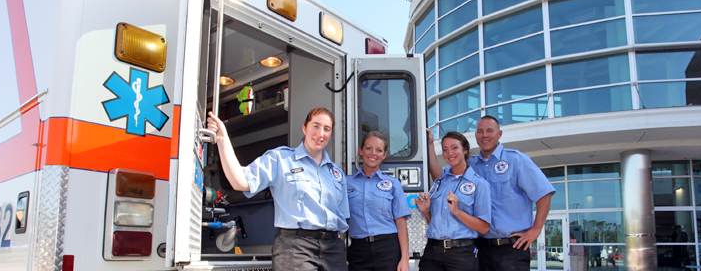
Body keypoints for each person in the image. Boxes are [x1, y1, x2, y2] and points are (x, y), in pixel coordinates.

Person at [207, 108, 349, 271]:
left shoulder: (336, 173)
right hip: (296, 248)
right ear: (304, 128)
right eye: (315, 126)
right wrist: (222, 138)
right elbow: (240, 182)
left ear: (331, 134)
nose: (320, 133)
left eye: (326, 129)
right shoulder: (280, 159)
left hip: (333, 250)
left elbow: (342, 216)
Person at [427, 116, 555, 271]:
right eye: (480, 131)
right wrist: (429, 145)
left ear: (499, 134)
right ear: (475, 136)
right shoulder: (470, 164)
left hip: (510, 248)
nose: (484, 135)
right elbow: (439, 178)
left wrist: (536, 229)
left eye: (489, 131)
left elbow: (544, 193)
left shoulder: (516, 160)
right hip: (480, 247)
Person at [414, 131, 491, 271]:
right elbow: (436, 223)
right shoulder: (440, 182)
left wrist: (457, 211)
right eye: (445, 149)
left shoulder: (480, 184)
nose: (449, 153)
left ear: (465, 150)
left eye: (454, 147)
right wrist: (425, 212)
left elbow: (484, 227)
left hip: (461, 254)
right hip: (432, 252)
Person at [346, 131, 411, 271]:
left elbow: (401, 223)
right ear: (361, 151)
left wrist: (405, 259)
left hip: (388, 249)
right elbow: (340, 220)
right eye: (368, 148)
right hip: (358, 250)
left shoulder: (393, 184)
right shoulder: (346, 183)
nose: (373, 153)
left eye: (379, 150)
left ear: (384, 155)